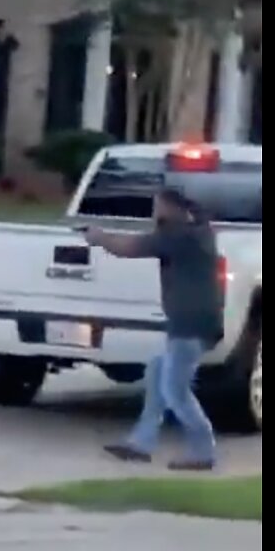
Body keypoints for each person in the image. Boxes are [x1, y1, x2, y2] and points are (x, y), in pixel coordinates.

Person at [82, 185, 224, 471]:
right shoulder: (198, 230)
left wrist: (98, 237)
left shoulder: (178, 237)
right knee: (158, 372)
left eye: (157, 205)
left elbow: (128, 248)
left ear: (172, 208)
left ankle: (203, 450)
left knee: (175, 390)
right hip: (196, 322)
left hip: (189, 325)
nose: (153, 211)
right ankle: (141, 443)